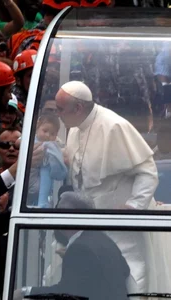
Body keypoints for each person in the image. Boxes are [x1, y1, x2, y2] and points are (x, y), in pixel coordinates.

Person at [56, 81, 158, 292]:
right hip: (90, 225)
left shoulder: (114, 126)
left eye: (61, 109)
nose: (58, 114)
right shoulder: (75, 129)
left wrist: (134, 206)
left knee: (131, 282)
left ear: (78, 108)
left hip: (120, 225)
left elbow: (148, 172)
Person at [27, 192, 130, 300]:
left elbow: (64, 293)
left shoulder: (79, 250)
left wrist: (28, 292)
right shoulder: (103, 239)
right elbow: (125, 270)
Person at [27, 113, 67, 208]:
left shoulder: (53, 145)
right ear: (37, 128)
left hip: (45, 169)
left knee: (45, 182)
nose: (48, 135)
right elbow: (19, 141)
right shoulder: (29, 140)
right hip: (30, 173)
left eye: (53, 134)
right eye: (45, 131)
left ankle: (42, 202)